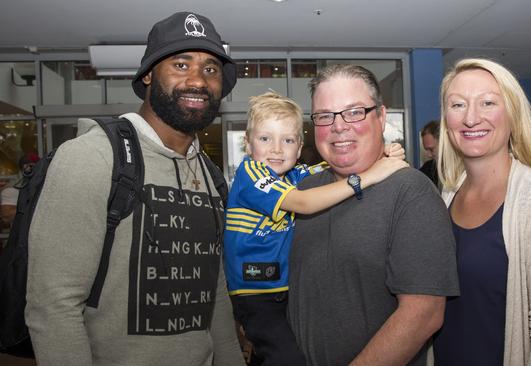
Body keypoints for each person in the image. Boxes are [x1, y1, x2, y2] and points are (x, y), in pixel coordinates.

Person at [25, 12, 245, 366]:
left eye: (210, 69)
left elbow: (214, 292)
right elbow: (53, 304)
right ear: (148, 75)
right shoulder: (93, 157)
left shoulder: (209, 176)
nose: (198, 80)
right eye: (181, 64)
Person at [287, 64, 460, 366]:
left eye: (354, 112)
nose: (339, 127)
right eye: (325, 116)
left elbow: (424, 314)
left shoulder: (410, 192)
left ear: (381, 116)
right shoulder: (305, 192)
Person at [224, 91, 408, 365]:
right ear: (248, 145)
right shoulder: (251, 174)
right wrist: (369, 176)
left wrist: (382, 152)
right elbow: (304, 203)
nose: (276, 149)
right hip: (255, 293)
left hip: (287, 288)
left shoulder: (295, 174)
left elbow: (336, 163)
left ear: (298, 148)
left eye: (287, 140)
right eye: (265, 139)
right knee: (285, 358)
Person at [432, 58, 531, 366]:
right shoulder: (447, 195)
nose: (471, 118)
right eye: (457, 105)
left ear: (512, 113)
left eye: (487, 103)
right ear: (446, 118)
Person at [0, 152, 40, 226]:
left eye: (34, 167)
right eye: (27, 167)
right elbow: (6, 216)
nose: (30, 170)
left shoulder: (45, 187)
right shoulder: (13, 190)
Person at [418, 120, 440, 186]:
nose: (428, 155)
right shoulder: (428, 169)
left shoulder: (464, 170)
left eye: (431, 149)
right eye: (426, 150)